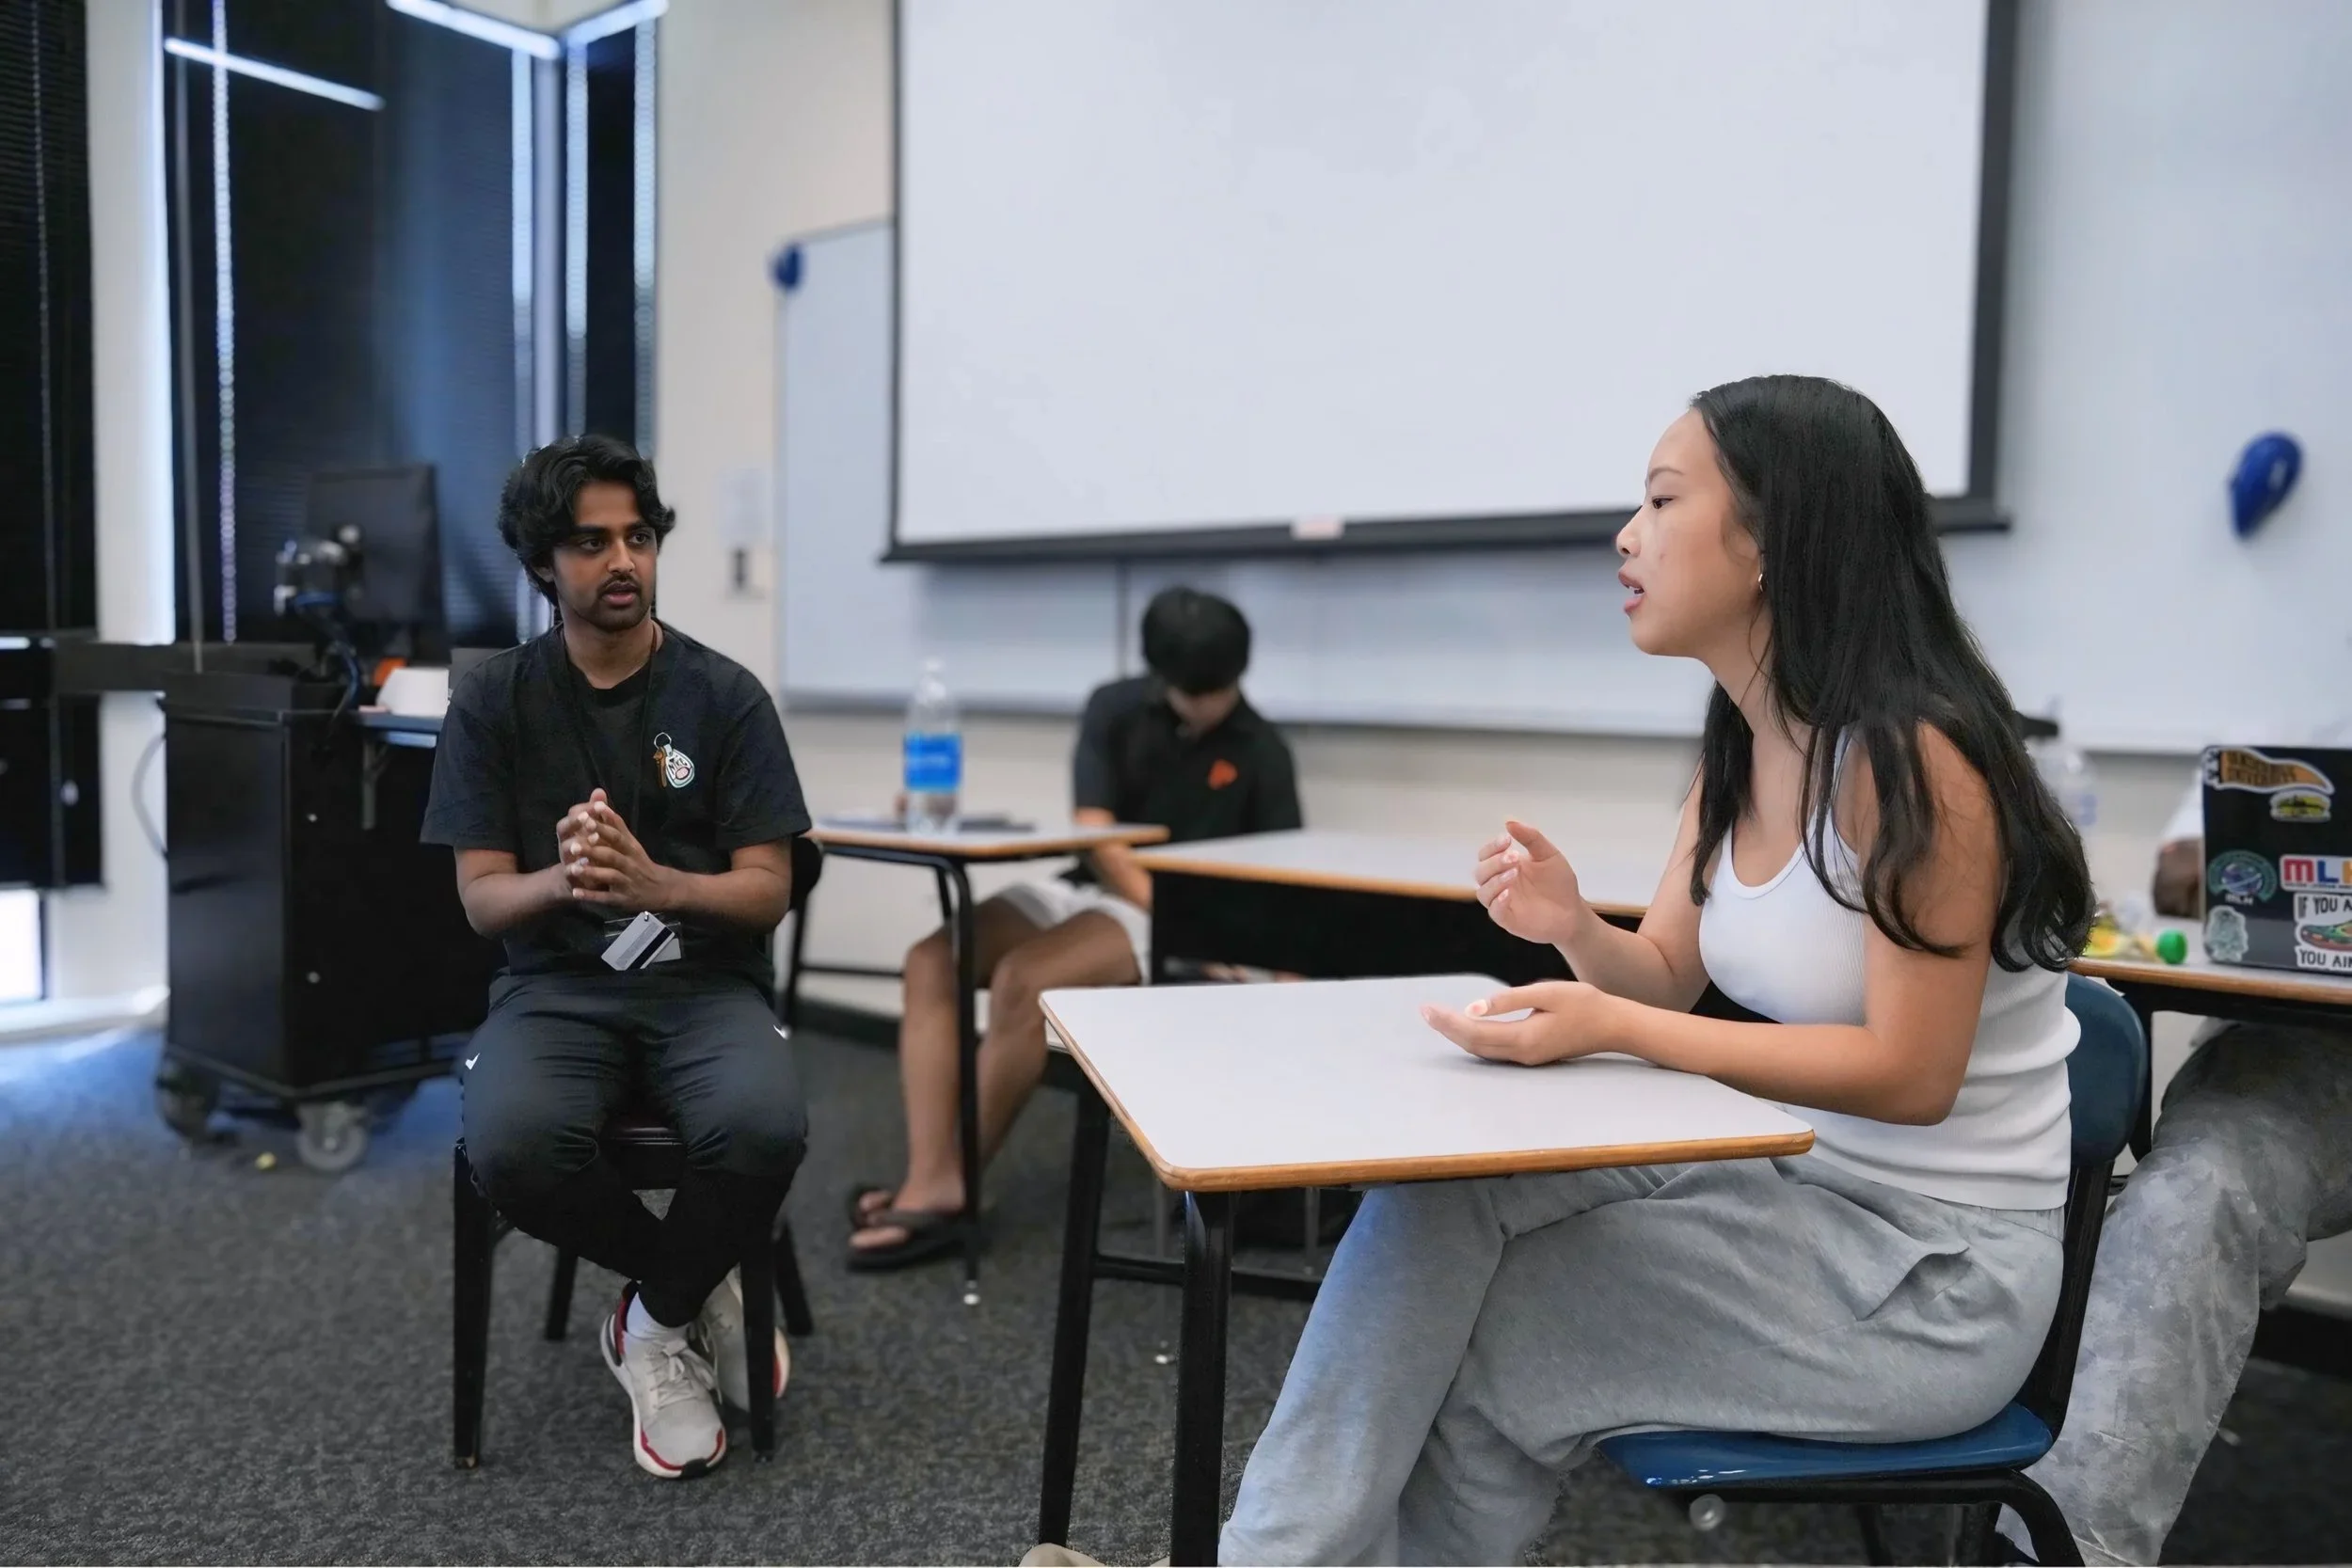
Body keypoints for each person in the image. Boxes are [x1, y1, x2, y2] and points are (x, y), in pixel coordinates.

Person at [1218, 375, 2095, 1564]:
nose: (1626, 536)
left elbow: (1910, 1073)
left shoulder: (1913, 761)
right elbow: (1670, 977)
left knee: (1498, 1336)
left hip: (1932, 1276)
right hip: (1788, 1182)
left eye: (1662, 500)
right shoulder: (1741, 741)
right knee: (1437, 1193)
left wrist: (1609, 1026)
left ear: (1772, 539)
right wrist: (1574, 926)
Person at [423, 434, 813, 1480]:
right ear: (542, 562)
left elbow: (768, 888)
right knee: (511, 1145)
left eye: (637, 536)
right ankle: (690, 1285)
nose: (623, 561)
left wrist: (658, 887)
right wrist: (566, 880)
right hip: (555, 987)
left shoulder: (725, 695)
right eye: (591, 543)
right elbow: (482, 899)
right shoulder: (493, 701)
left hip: (705, 980)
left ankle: (647, 1326)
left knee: (764, 1125)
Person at [847, 587, 1303, 1268]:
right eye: (1191, 692)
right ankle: (931, 1177)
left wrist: (1256, 969)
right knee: (931, 960)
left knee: (1025, 979)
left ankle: (947, 1187)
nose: (1206, 705)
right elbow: (1097, 833)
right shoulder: (1114, 707)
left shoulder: (1262, 748)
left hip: (1174, 917)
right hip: (1095, 885)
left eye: (1218, 691)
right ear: (1160, 675)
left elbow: (1284, 880)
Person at [1999, 774, 2352, 1564]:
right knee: (2194, 1190)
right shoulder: (2296, 752)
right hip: (2305, 1053)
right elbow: (2179, 882)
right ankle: (2058, 1552)